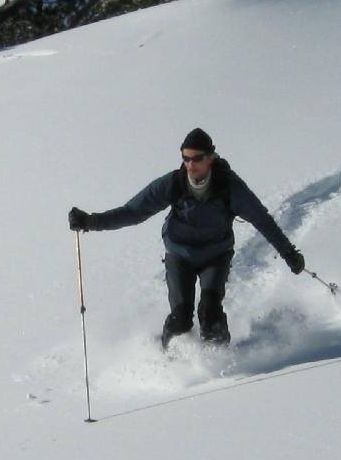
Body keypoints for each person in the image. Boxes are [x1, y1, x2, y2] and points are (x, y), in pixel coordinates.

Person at [69, 127, 305, 348]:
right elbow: (133, 212)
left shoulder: (229, 187)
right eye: (185, 158)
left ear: (210, 157)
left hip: (216, 255)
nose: (190, 165)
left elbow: (261, 219)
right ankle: (168, 361)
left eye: (196, 158)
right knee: (180, 318)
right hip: (179, 255)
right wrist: (91, 221)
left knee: (210, 314)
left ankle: (222, 367)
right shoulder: (174, 183)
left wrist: (288, 252)